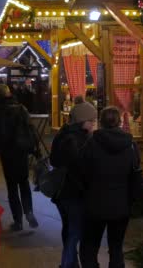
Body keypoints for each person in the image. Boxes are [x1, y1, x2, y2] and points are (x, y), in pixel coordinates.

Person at [79, 106, 136, 268]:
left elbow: (81, 172)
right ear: (119, 122)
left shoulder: (91, 143)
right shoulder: (130, 145)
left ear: (101, 122)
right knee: (116, 248)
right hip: (121, 204)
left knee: (89, 248)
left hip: (94, 203)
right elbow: (134, 172)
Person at [0, 84, 39, 231]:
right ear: (9, 94)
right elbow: (31, 129)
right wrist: (34, 148)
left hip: (7, 153)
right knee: (24, 182)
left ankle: (18, 220)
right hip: (21, 151)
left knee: (12, 186)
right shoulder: (21, 108)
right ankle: (29, 211)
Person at [50, 102, 97, 268]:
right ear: (82, 121)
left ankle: (71, 263)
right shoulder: (79, 140)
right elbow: (82, 167)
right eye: (91, 121)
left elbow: (53, 160)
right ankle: (67, 264)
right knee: (75, 231)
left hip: (61, 192)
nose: (93, 124)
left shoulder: (63, 134)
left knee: (69, 228)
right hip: (74, 192)